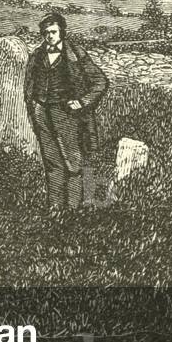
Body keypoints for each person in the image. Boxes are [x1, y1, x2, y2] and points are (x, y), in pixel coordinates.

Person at [24, 12, 108, 214]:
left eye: (53, 32)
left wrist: (82, 102)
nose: (49, 36)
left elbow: (100, 82)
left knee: (73, 162)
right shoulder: (37, 55)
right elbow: (29, 85)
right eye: (46, 32)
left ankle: (73, 209)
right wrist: (33, 106)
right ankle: (55, 208)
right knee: (52, 162)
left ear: (62, 31)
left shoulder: (76, 54)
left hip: (66, 114)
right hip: (42, 112)